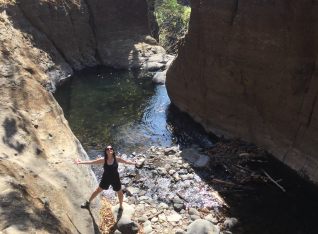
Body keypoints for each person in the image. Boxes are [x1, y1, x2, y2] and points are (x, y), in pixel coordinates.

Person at [74, 146, 140, 211]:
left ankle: (120, 207)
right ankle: (88, 202)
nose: (109, 149)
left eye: (111, 148)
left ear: (113, 150)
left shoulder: (117, 159)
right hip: (106, 179)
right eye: (107, 149)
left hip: (115, 179)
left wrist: (134, 163)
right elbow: (92, 162)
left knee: (119, 192)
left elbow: (126, 162)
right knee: (97, 190)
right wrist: (80, 162)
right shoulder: (103, 160)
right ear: (106, 151)